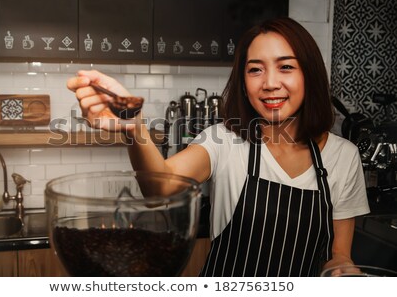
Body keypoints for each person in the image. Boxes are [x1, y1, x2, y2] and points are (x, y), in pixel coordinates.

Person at [67, 17, 370, 276]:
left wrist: (343, 267)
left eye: (286, 67)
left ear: (310, 75)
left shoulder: (343, 156)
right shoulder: (223, 141)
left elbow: (339, 254)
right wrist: (133, 125)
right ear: (242, 82)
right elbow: (158, 189)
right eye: (255, 70)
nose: (269, 83)